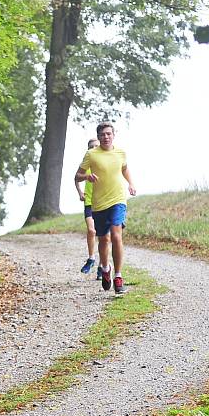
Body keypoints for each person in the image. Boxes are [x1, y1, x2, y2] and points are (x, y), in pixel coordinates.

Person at [74, 122, 136, 294]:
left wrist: (131, 183)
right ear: (99, 136)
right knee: (103, 240)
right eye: (103, 134)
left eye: (109, 134)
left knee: (116, 236)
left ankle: (118, 276)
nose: (106, 137)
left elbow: (125, 169)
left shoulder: (120, 153)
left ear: (113, 135)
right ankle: (105, 268)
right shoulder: (91, 154)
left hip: (118, 200)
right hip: (99, 203)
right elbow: (77, 176)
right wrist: (87, 176)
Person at [75, 138, 100, 274]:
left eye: (96, 146)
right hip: (89, 202)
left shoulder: (104, 162)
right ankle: (91, 258)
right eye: (91, 147)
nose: (94, 148)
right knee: (92, 231)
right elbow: (76, 178)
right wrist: (80, 193)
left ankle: (103, 265)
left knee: (104, 235)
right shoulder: (86, 165)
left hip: (103, 202)